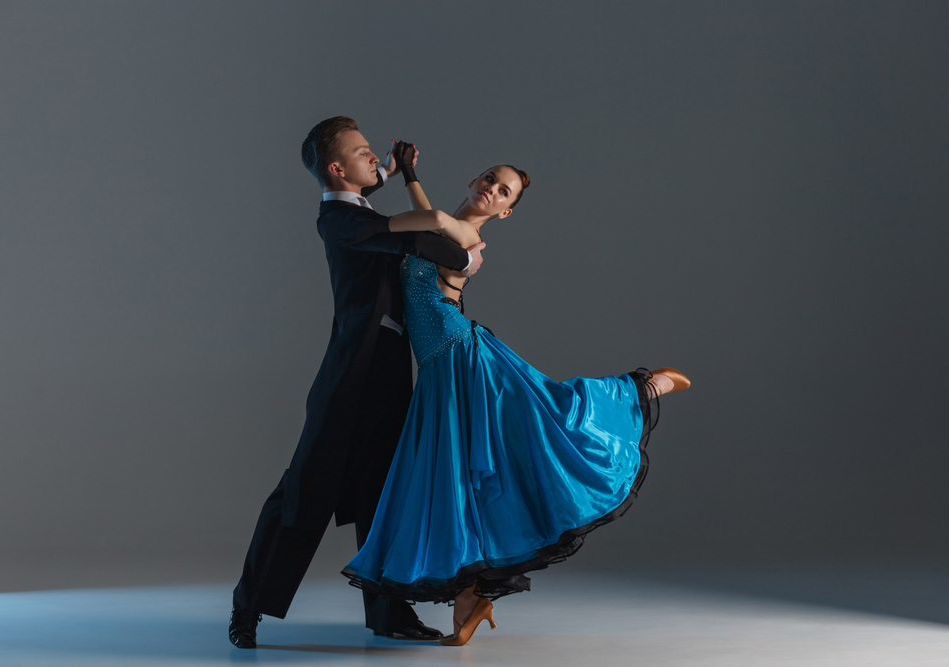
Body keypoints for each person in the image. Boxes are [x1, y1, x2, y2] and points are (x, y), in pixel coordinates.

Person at [341, 150, 690, 646]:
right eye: (489, 178)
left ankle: (641, 387)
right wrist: (410, 175)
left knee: (548, 420)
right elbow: (431, 218)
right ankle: (470, 597)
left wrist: (373, 217)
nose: (491, 188)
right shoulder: (448, 230)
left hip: (460, 357)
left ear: (505, 211)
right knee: (460, 479)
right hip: (439, 366)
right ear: (473, 180)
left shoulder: (466, 237)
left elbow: (435, 219)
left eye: (503, 191)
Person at [229, 117, 486, 648]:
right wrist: (462, 256)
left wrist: (393, 170)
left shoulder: (357, 209)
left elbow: (379, 208)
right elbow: (415, 238)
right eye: (361, 151)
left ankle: (389, 613)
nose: (372, 156)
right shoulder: (338, 220)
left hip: (389, 369)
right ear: (336, 168)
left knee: (385, 495)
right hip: (349, 376)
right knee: (304, 491)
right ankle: (247, 608)